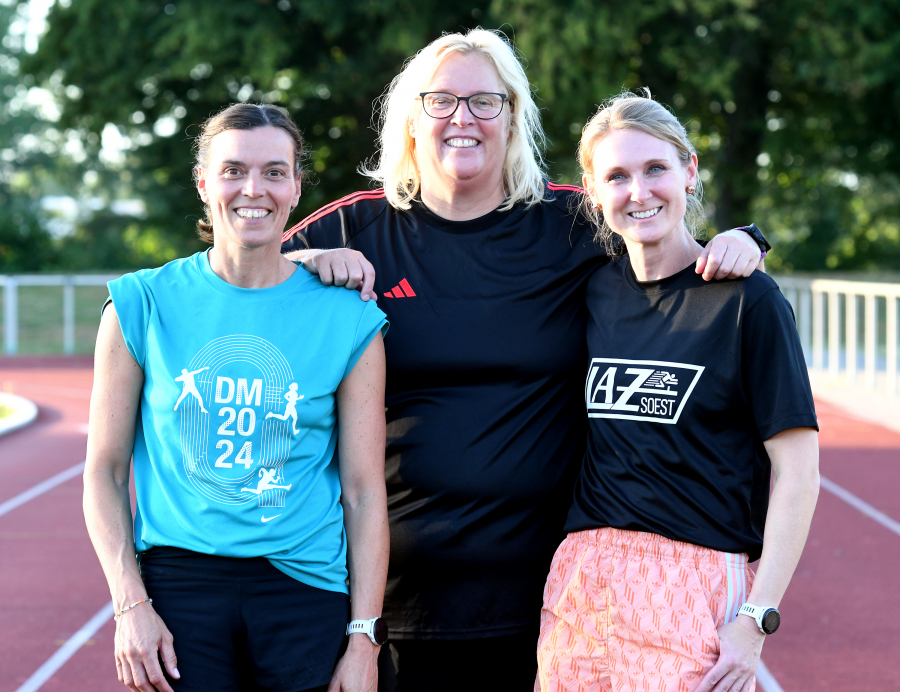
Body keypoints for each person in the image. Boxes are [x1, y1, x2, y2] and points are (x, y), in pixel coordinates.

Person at [282, 29, 766, 692]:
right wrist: (300, 262)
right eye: (442, 100)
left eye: (486, 101)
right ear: (410, 118)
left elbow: (665, 237)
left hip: (555, 607)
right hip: (396, 603)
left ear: (513, 117)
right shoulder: (354, 229)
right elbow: (231, 280)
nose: (464, 118)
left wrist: (745, 240)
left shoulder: (569, 226)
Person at [84, 103, 389, 692]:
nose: (254, 189)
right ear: (203, 184)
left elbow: (363, 490)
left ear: (296, 187)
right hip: (180, 590)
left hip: (306, 592)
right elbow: (104, 471)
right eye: (233, 171)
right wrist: (130, 606)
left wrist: (363, 638)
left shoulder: (348, 319)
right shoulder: (140, 305)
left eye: (275, 172)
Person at [535, 92, 820, 692]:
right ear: (592, 190)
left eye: (655, 169)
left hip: (697, 584)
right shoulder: (591, 292)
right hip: (582, 580)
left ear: (690, 171)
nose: (638, 191)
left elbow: (798, 474)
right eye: (617, 176)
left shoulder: (749, 302)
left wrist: (755, 617)